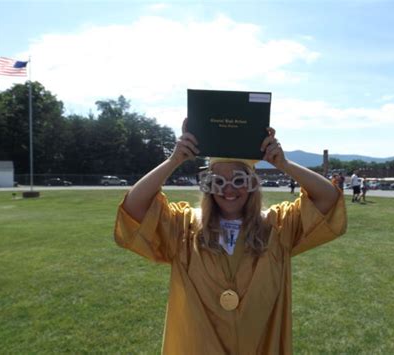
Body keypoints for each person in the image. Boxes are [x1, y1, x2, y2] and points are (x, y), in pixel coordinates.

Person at [114, 118, 347, 354]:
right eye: (218, 181)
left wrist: (283, 164)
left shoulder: (277, 228)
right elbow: (134, 209)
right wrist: (174, 161)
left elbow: (327, 199)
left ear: (253, 184)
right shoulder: (184, 228)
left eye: (239, 180)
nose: (228, 189)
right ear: (208, 186)